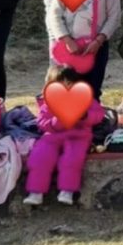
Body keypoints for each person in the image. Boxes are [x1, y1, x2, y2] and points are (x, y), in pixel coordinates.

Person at [46, 0, 121, 100]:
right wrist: (67, 40)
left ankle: (93, 115)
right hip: (69, 48)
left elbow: (114, 16)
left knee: (92, 90)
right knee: (68, 90)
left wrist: (98, 41)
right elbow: (54, 15)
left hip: (97, 48)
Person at [23, 66, 106, 206]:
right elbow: (42, 122)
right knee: (40, 156)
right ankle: (35, 192)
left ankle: (67, 190)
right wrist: (57, 121)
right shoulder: (48, 102)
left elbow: (99, 114)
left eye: (70, 84)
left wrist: (85, 116)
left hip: (78, 136)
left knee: (72, 159)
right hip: (53, 136)